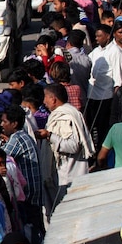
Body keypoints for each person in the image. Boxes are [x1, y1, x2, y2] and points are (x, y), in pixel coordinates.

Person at [36, 83, 95, 214]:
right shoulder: (63, 113)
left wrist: (49, 135)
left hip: (68, 175)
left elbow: (73, 146)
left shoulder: (65, 117)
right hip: (64, 175)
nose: (44, 101)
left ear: (53, 99)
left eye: (45, 97)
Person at [0, 105, 44, 244]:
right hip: (33, 194)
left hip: (28, 195)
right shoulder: (23, 135)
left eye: (4, 121)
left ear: (14, 123)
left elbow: (1, 157)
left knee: (30, 232)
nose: (2, 125)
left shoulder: (17, 137)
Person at [87, 24, 122, 148]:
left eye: (100, 36)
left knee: (102, 128)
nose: (97, 39)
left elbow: (118, 80)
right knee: (91, 126)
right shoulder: (96, 51)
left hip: (105, 97)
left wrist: (114, 100)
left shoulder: (116, 52)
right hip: (92, 95)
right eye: (96, 36)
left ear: (108, 36)